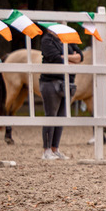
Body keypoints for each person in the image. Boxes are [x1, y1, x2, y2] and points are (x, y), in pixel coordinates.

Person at [38, 28, 83, 160]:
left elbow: (80, 56)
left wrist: (65, 57)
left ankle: (55, 148)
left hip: (67, 82)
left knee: (61, 115)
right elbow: (55, 58)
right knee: (51, 115)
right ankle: (46, 149)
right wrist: (70, 59)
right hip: (51, 81)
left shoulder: (67, 38)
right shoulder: (47, 40)